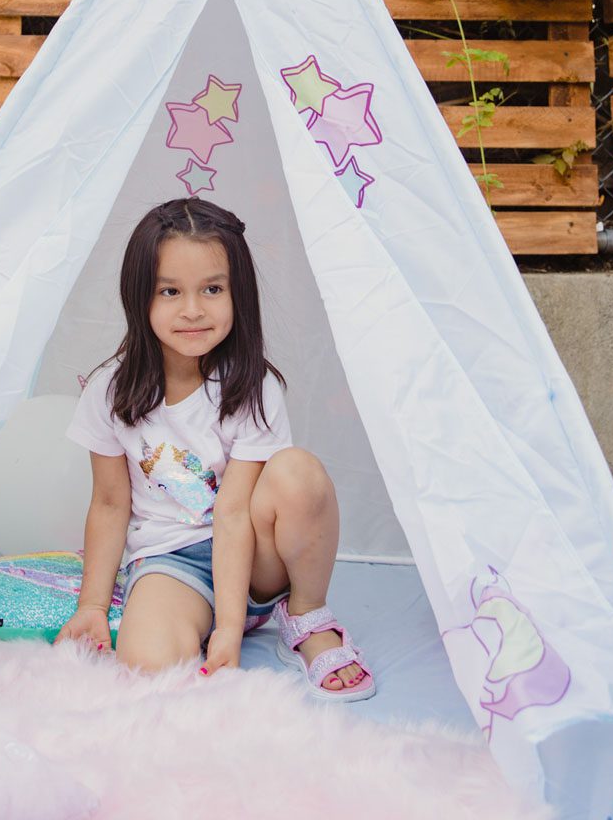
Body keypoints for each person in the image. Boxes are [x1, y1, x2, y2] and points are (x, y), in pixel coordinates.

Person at [55, 197, 374, 700]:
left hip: (252, 557)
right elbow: (112, 503)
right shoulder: (109, 390)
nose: (192, 310)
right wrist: (94, 605)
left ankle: (307, 616)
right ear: (139, 297)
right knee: (147, 669)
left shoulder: (250, 386)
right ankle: (189, 617)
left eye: (212, 289)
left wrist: (229, 626)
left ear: (237, 294)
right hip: (170, 559)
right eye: (169, 291)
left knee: (298, 472)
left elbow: (231, 511)